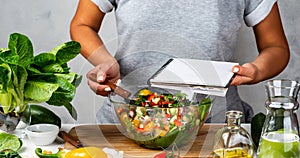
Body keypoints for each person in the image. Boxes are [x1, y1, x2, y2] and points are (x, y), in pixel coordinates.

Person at [70, 0, 290, 123]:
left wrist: (257, 70)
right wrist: (105, 61)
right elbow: (82, 25)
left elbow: (276, 47)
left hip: (216, 128)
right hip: (127, 123)